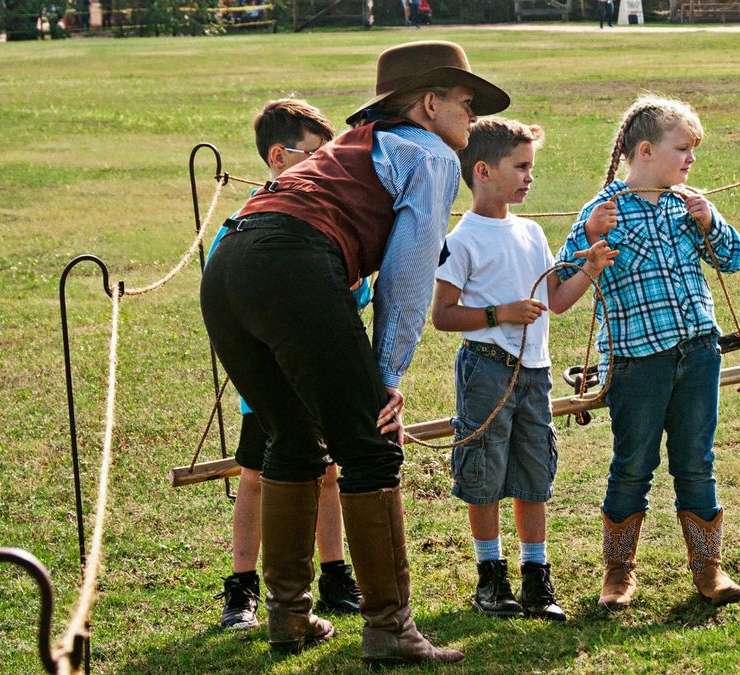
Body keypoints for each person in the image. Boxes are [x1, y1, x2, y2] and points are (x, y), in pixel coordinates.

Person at [200, 40, 510, 665]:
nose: (472, 118)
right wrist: (387, 374)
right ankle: (391, 628)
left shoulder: (357, 147)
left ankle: (289, 619)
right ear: (429, 103)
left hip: (229, 262)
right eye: (465, 102)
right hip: (291, 261)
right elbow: (409, 270)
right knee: (369, 444)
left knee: (291, 437)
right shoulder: (428, 155)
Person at [555, 95, 740, 610]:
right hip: (638, 361)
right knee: (633, 463)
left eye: (692, 151)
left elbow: (733, 260)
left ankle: (709, 569)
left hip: (699, 351)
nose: (690, 160)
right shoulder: (605, 210)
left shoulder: (690, 206)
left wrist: (713, 224)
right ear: (645, 151)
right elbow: (563, 276)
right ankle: (618, 573)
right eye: (682, 149)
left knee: (696, 461)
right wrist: (590, 236)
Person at [431, 118, 618, 622]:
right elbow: (443, 315)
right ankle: (491, 577)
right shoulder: (461, 238)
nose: (529, 177)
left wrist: (589, 269)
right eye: (521, 167)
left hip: (535, 372)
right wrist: (500, 314)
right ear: (484, 171)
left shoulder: (531, 231)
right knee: (485, 472)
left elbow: (556, 300)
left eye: (531, 166)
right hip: (486, 370)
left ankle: (536, 577)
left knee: (535, 473)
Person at [208, 99, 363, 632]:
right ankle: (242, 588)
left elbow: (347, 292)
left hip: (317, 368)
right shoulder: (246, 221)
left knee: (328, 473)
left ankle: (336, 576)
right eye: (315, 157)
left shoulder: (322, 215)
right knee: (255, 475)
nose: (326, 168)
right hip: (271, 380)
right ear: (279, 156)